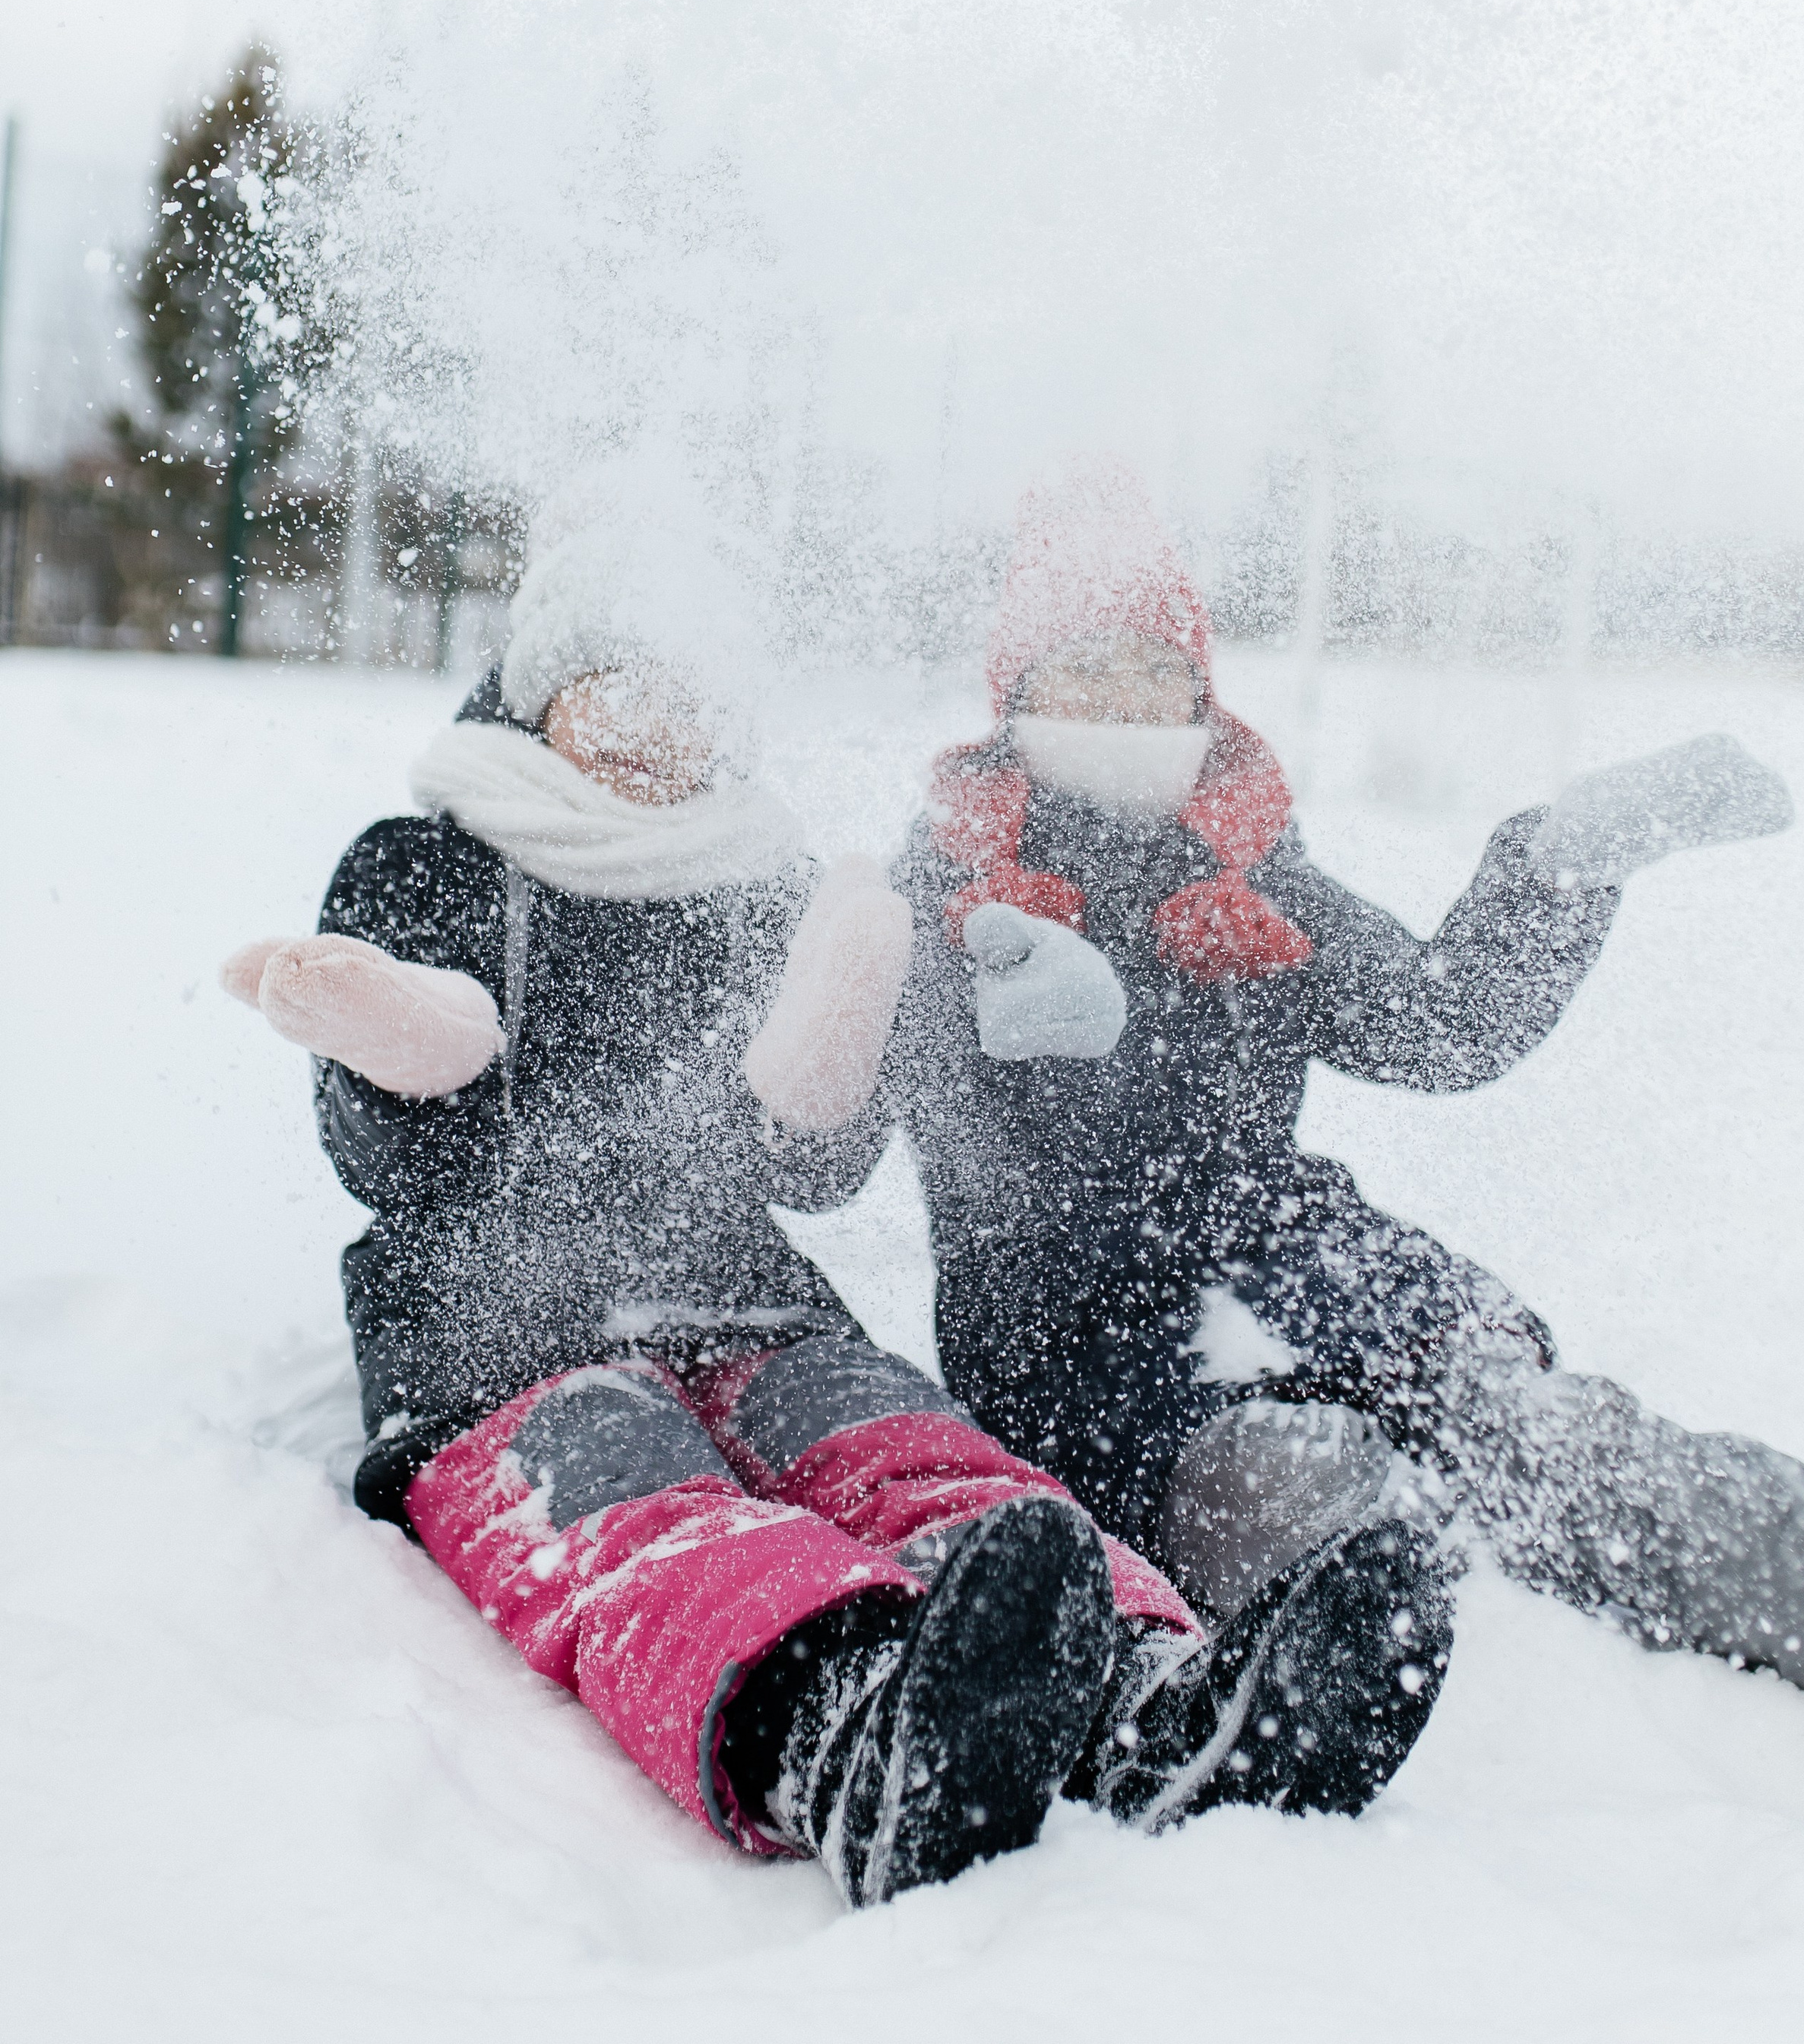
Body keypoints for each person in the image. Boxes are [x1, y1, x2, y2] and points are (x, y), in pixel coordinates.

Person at [224, 489, 1445, 1906]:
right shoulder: (426, 861)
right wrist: (412, 1051)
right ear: (547, 697)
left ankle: (1154, 1694)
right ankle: (846, 1729)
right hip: (497, 1339)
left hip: (753, 1303)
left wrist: (824, 1064)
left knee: (919, 1453)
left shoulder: (762, 882)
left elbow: (814, 1172)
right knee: (647, 1512)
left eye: (692, 695)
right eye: (623, 684)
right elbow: (400, 1175)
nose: (659, 723)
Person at [753, 460, 1804, 1777]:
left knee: (1572, 1449)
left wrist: (1556, 868)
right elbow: (821, 1162)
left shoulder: (1253, 878)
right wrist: (854, 1006)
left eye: (1153, 672)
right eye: (1082, 670)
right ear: (1017, 693)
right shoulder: (937, 889)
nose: (1123, 703)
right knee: (1321, 1508)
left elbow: (1440, 1023)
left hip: (1318, 1267)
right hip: (1085, 1344)